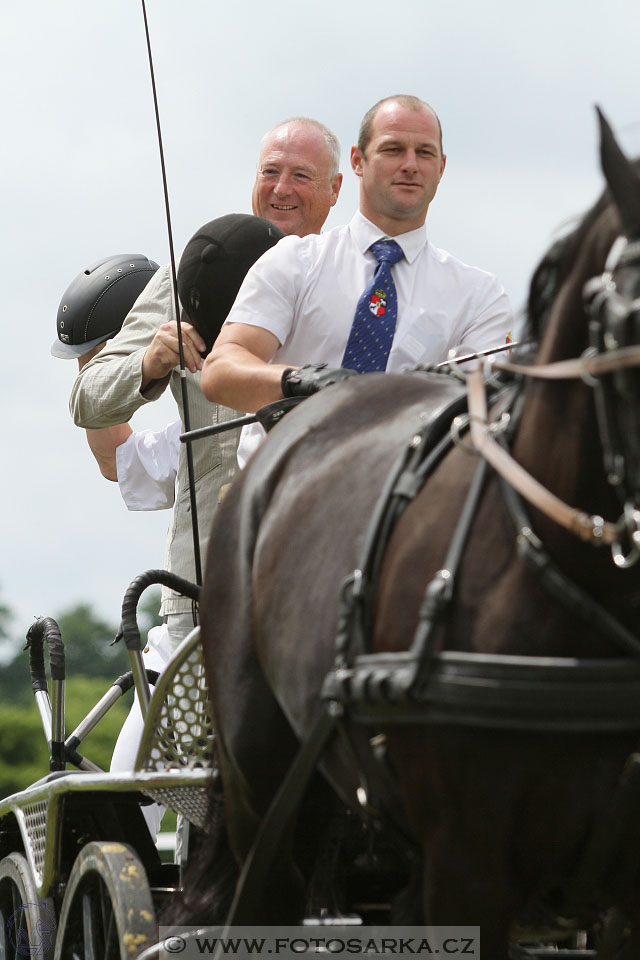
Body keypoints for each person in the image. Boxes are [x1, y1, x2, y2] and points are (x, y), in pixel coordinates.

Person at [69, 118, 343, 654]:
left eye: (302, 176)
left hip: (328, 574)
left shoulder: (358, 280)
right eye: (270, 171)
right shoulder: (194, 274)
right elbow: (88, 398)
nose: (282, 188)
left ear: (335, 189)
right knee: (166, 739)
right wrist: (148, 362)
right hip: (204, 585)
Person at [200, 95, 512, 467]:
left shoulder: (479, 297)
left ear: (441, 167)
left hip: (401, 506)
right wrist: (302, 382)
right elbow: (220, 370)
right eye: (393, 149)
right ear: (357, 161)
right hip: (282, 498)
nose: (410, 165)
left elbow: (486, 416)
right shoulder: (295, 261)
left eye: (425, 153)